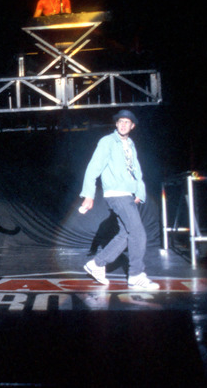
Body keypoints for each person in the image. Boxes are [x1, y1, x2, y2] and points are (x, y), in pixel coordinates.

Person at [80, 110, 159, 290]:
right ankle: (136, 275)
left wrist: (140, 192)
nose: (123, 125)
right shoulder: (107, 142)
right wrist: (88, 195)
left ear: (132, 126)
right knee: (138, 233)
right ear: (116, 124)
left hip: (128, 194)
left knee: (125, 234)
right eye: (120, 121)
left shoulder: (130, 144)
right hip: (116, 193)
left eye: (127, 122)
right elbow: (93, 168)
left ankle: (97, 264)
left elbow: (137, 172)